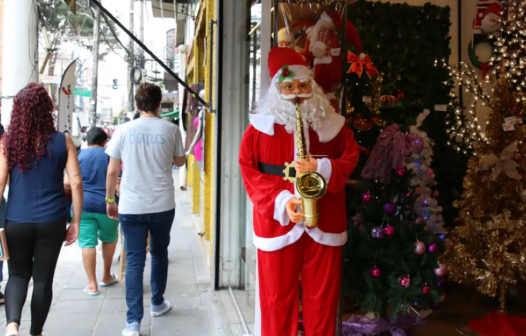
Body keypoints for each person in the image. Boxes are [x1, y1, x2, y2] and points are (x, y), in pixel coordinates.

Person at [239, 48, 360, 336]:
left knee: (323, 300)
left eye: (303, 86)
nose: (296, 93)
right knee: (275, 300)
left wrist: (322, 167)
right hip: (277, 222)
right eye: (289, 86)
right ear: (277, 89)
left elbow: (350, 156)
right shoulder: (258, 129)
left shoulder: (332, 124)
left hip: (325, 218)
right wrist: (280, 200)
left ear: (312, 87)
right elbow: (249, 170)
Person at [0, 83, 83, 336]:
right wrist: (76, 222)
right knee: (43, 280)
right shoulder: (63, 140)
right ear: (48, 109)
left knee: (17, 274)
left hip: (16, 220)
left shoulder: (8, 143)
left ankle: (12, 325)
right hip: (52, 221)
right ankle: (36, 332)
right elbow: (77, 182)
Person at [105, 83, 186, 336]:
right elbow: (180, 161)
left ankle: (132, 323)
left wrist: (110, 201)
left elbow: (112, 170)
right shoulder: (171, 129)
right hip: (162, 204)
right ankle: (157, 302)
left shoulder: (123, 130)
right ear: (160, 103)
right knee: (160, 253)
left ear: (137, 105)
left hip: (131, 205)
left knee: (135, 261)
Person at [65, 127, 120, 296]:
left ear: (87, 141)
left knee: (87, 243)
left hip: (83, 206)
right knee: (109, 239)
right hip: (107, 205)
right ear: (105, 141)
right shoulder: (111, 155)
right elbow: (118, 181)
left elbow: (68, 183)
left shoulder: (79, 155)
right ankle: (106, 276)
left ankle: (91, 285)